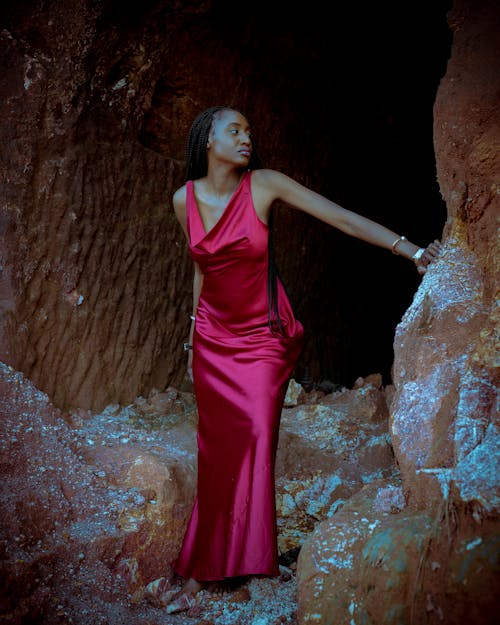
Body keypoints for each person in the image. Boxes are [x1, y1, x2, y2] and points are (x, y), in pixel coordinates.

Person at [166, 105, 441, 613]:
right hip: (212, 340)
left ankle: (231, 563)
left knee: (253, 437)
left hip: (262, 340)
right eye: (235, 130)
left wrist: (412, 250)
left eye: (249, 130)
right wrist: (191, 340)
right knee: (216, 450)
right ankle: (207, 566)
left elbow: (339, 216)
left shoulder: (264, 185)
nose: (246, 138)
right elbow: (200, 270)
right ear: (208, 140)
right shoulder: (185, 199)